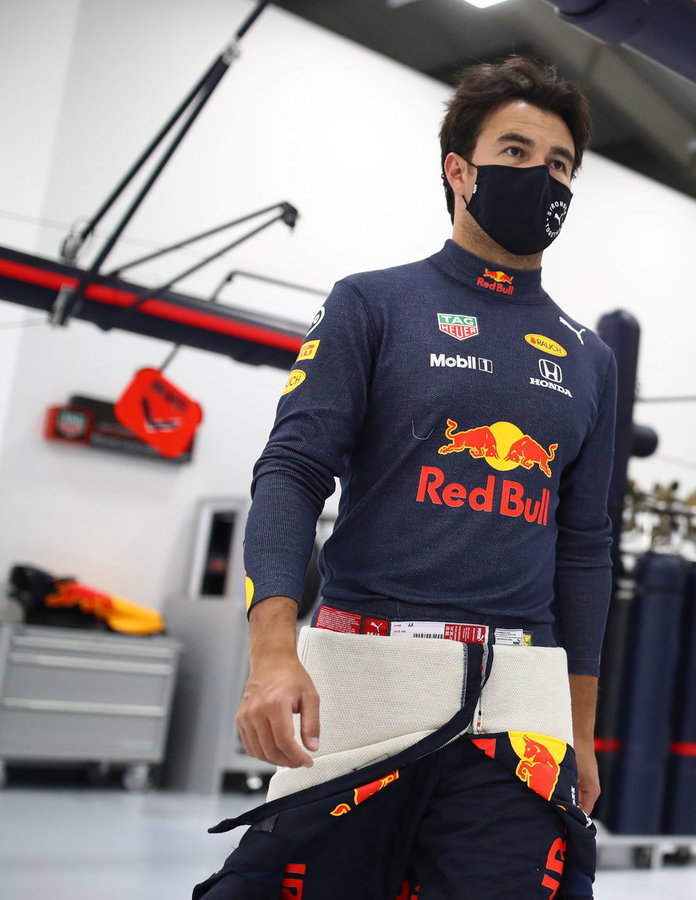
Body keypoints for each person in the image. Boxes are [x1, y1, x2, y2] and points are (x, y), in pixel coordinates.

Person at [195, 56, 615, 900]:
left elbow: (584, 549)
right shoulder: (371, 305)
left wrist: (580, 730)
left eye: (560, 164)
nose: (542, 177)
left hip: (519, 712)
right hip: (363, 691)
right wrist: (272, 653)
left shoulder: (589, 359)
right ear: (458, 170)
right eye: (516, 152)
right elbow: (292, 472)